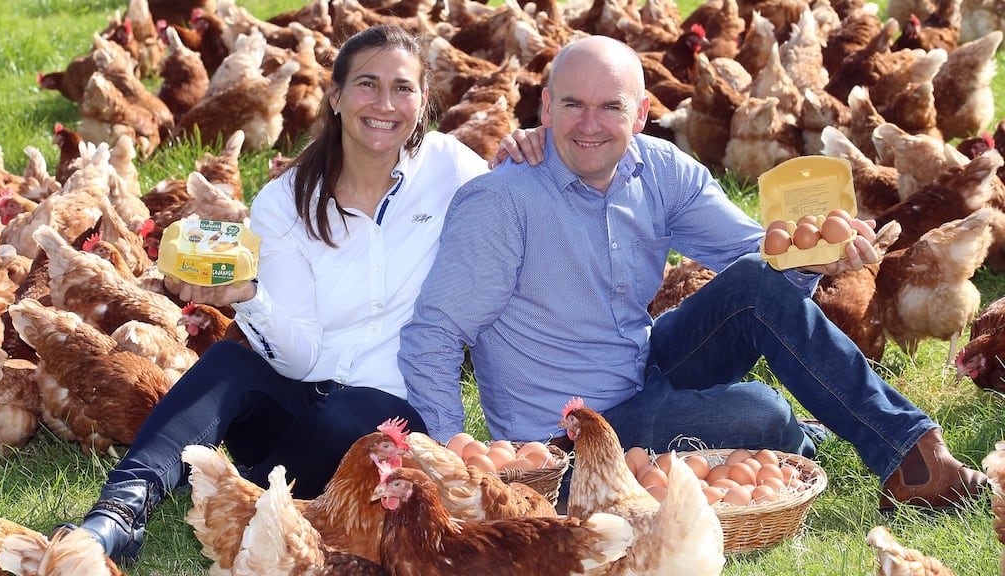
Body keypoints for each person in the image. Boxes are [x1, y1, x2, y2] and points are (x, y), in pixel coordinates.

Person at [398, 35, 987, 512]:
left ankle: (913, 455)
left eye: (611, 107)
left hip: (648, 363)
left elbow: (763, 258)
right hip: (571, 431)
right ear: (546, 107)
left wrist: (817, 258)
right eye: (572, 104)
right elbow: (434, 335)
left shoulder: (659, 169)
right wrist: (459, 456)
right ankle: (806, 429)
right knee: (763, 412)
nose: (589, 125)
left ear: (643, 113)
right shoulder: (501, 202)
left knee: (756, 280)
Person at [56, 24, 538, 564]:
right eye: (366, 84)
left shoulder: (450, 167)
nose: (385, 103)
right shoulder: (285, 200)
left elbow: (520, 198)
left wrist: (528, 145)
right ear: (335, 96)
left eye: (403, 88)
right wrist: (248, 295)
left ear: (423, 100)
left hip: (391, 419)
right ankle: (117, 515)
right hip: (294, 398)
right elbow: (303, 354)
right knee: (228, 364)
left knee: (350, 413)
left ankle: (244, 495)